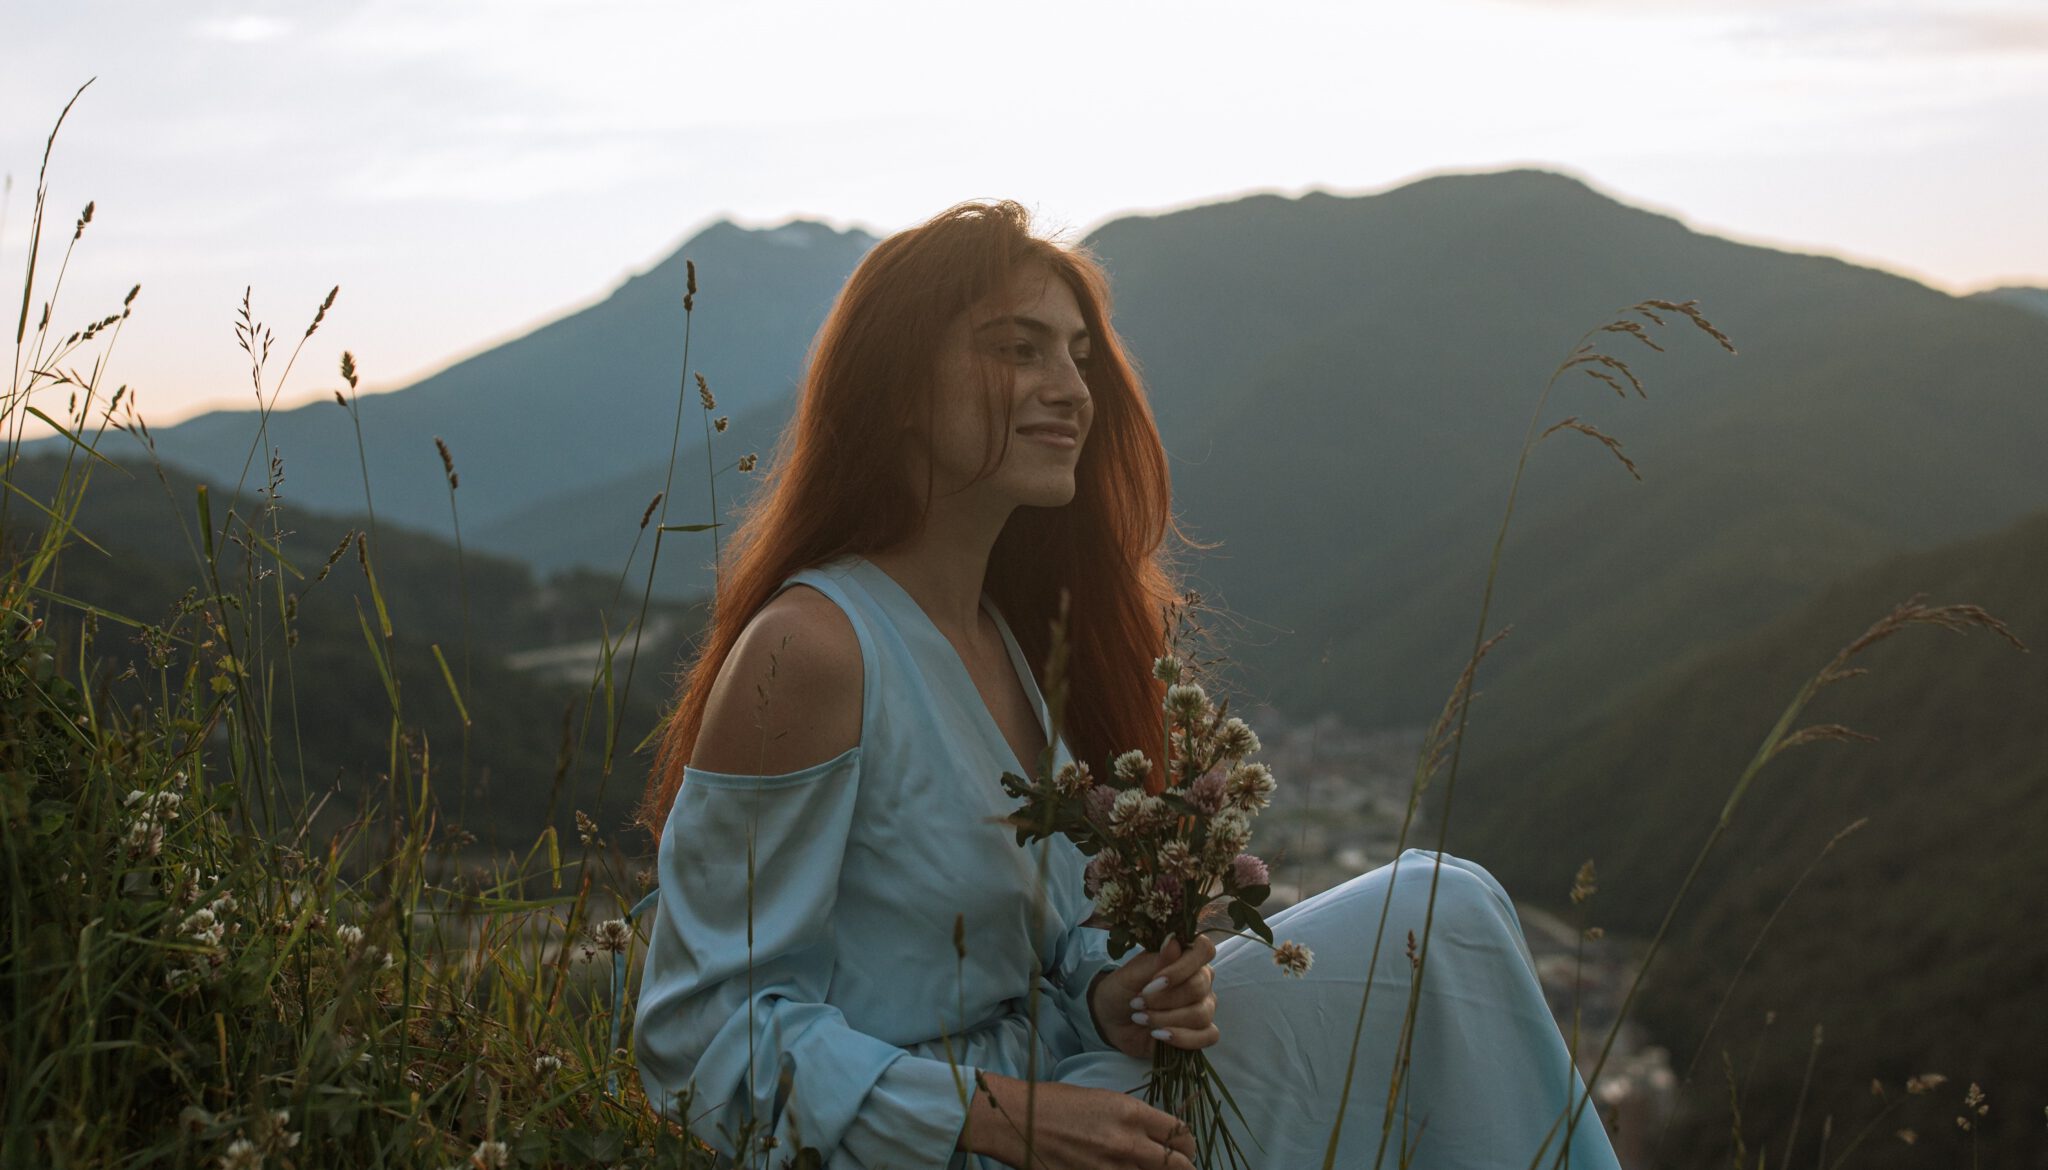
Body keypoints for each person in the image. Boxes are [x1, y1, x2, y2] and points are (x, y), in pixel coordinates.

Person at [632, 200, 1622, 1170]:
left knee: (1445, 920)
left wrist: (1117, 997)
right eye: (1018, 349)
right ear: (894, 388)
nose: (1070, 387)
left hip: (1069, 1101)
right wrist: (999, 1116)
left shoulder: (1004, 641)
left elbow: (1033, 956)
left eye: (1076, 355)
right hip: (945, 1144)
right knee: (1435, 919)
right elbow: (699, 1035)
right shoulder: (810, 649)